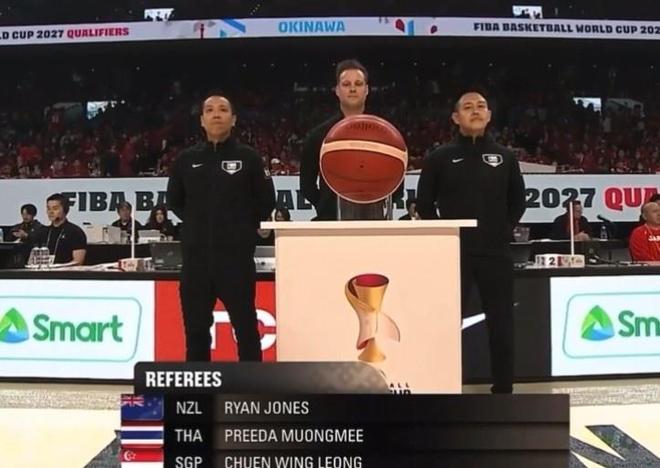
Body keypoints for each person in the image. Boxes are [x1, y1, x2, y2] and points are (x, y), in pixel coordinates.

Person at [416, 89, 526, 394]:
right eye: (467, 107)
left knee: (501, 322)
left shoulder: (505, 157)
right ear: (455, 117)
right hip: (455, 254)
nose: (475, 110)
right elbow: (424, 203)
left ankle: (503, 389)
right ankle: (445, 384)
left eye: (481, 106)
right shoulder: (440, 157)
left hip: (495, 253)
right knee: (448, 323)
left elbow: (518, 202)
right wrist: (444, 236)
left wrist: (502, 230)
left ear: (489, 115)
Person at [167, 92, 276, 362]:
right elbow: (175, 202)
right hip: (196, 263)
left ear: (234, 119)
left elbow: (266, 201)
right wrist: (197, 226)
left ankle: (251, 385)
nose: (216, 114)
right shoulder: (185, 160)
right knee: (195, 333)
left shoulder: (249, 158)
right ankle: (199, 385)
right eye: (210, 110)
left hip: (236, 262)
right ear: (202, 120)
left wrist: (240, 229)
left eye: (223, 109)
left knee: (247, 330)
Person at [301, 59, 401, 220]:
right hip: (331, 223)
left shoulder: (386, 134)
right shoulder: (319, 136)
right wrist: (326, 206)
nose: (353, 89)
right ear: (337, 90)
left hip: (375, 220)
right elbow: (307, 185)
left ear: (367, 90)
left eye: (358, 84)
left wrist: (376, 204)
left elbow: (398, 182)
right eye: (346, 84)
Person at [31, 193, 87, 265]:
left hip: (65, 271)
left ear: (65, 210)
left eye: (55, 208)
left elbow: (78, 262)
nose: (51, 212)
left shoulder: (75, 232)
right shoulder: (42, 232)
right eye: (48, 208)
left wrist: (59, 268)